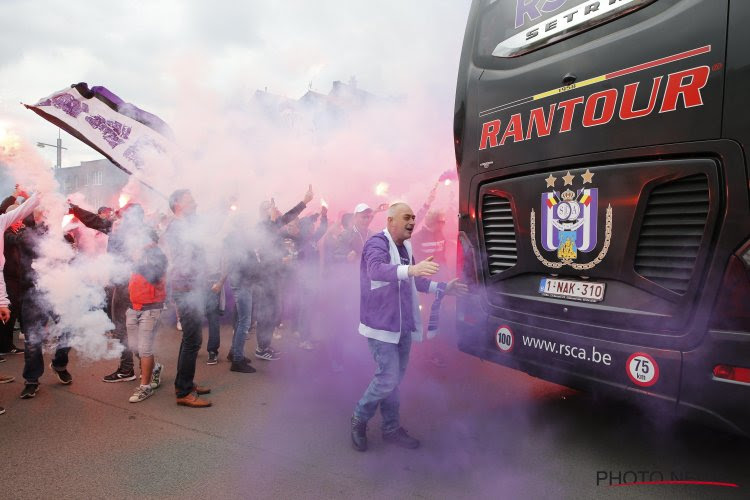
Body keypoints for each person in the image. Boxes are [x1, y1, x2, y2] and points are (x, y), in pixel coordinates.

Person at [350, 203, 467, 452]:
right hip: (381, 325)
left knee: (394, 380)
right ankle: (359, 417)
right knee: (387, 377)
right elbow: (375, 270)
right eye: (407, 217)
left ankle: (391, 429)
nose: (412, 221)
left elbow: (416, 279)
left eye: (414, 217)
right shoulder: (376, 243)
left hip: (402, 324)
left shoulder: (406, 247)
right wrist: (412, 269)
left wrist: (443, 288)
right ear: (391, 220)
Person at [69, 201, 136, 383]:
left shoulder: (136, 234)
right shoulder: (117, 228)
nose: (115, 216)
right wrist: (74, 208)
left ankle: (133, 368)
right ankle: (133, 367)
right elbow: (94, 220)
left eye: (120, 215)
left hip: (128, 285)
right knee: (126, 327)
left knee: (125, 327)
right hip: (120, 283)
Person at [18, 206, 76, 400]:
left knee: (69, 327)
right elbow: (29, 244)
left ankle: (59, 364)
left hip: (56, 289)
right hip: (33, 291)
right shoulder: (25, 232)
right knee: (33, 339)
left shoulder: (56, 232)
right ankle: (32, 381)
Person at [162, 189, 212, 407]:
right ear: (178, 205)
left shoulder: (185, 225)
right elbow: (185, 259)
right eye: (189, 199)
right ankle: (183, 392)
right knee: (192, 341)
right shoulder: (176, 227)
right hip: (185, 289)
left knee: (192, 340)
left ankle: (185, 383)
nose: (194, 201)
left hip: (192, 287)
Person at [251, 185, 313, 361]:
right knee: (266, 312)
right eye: (272, 207)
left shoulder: (272, 226)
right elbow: (262, 252)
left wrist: (305, 202)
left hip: (273, 276)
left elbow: (288, 217)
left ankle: (265, 345)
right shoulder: (261, 227)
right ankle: (262, 349)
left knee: (273, 311)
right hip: (265, 278)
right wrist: (279, 260)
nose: (276, 209)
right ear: (264, 211)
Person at [0, 187, 40, 411]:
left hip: (33, 286)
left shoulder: (11, 224)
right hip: (18, 287)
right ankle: (31, 379)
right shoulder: (8, 232)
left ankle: (59, 364)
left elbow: (28, 209)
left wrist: (2, 302)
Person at [125, 212, 167, 403]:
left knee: (144, 349)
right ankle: (154, 369)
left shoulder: (156, 253)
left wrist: (138, 261)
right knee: (136, 348)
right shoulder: (139, 253)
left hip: (151, 308)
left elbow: (155, 276)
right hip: (134, 307)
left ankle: (145, 387)